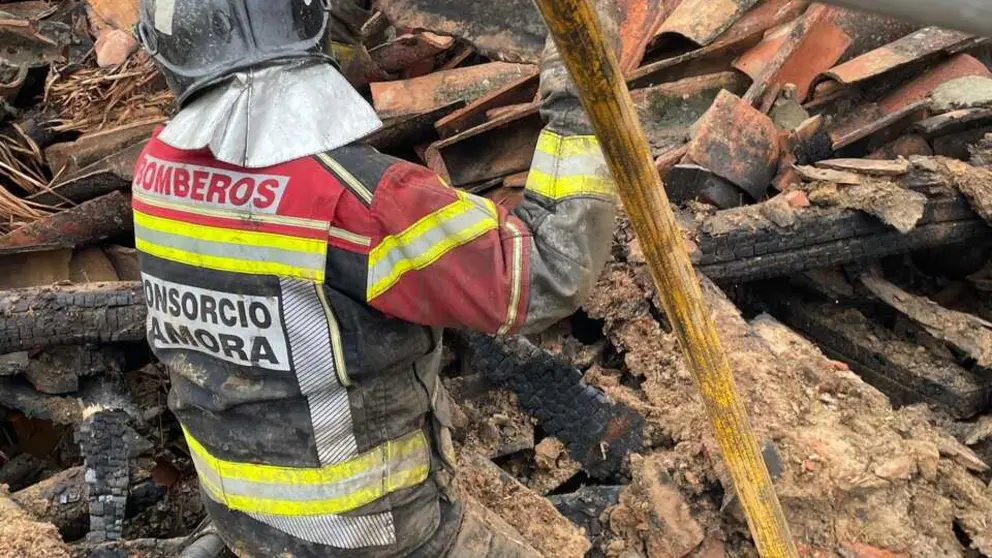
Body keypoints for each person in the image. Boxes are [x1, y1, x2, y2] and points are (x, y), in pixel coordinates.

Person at [132, 1, 618, 556]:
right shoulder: (359, 202)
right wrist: (582, 98)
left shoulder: (155, 172)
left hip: (243, 520)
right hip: (370, 536)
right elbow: (549, 272)